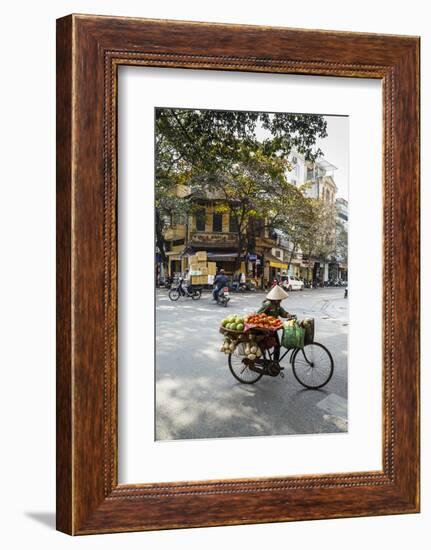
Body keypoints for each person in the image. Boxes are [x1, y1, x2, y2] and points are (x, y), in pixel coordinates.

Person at [257, 285, 292, 361]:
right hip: (265, 329)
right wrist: (265, 319)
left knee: (277, 345)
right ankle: (260, 361)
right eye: (279, 299)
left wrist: (288, 315)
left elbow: (282, 312)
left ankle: (275, 363)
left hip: (273, 329)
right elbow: (258, 314)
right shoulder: (268, 304)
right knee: (264, 347)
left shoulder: (277, 305)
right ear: (275, 298)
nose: (280, 300)